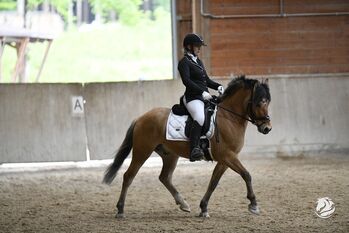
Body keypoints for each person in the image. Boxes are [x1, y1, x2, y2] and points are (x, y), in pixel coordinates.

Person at [178, 33, 224, 162]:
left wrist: (218, 86)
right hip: (192, 98)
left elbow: (207, 80)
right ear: (189, 46)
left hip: (204, 96)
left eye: (199, 46)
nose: (199, 48)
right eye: (197, 46)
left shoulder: (198, 61)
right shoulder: (184, 62)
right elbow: (186, 81)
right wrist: (201, 92)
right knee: (200, 116)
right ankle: (194, 149)